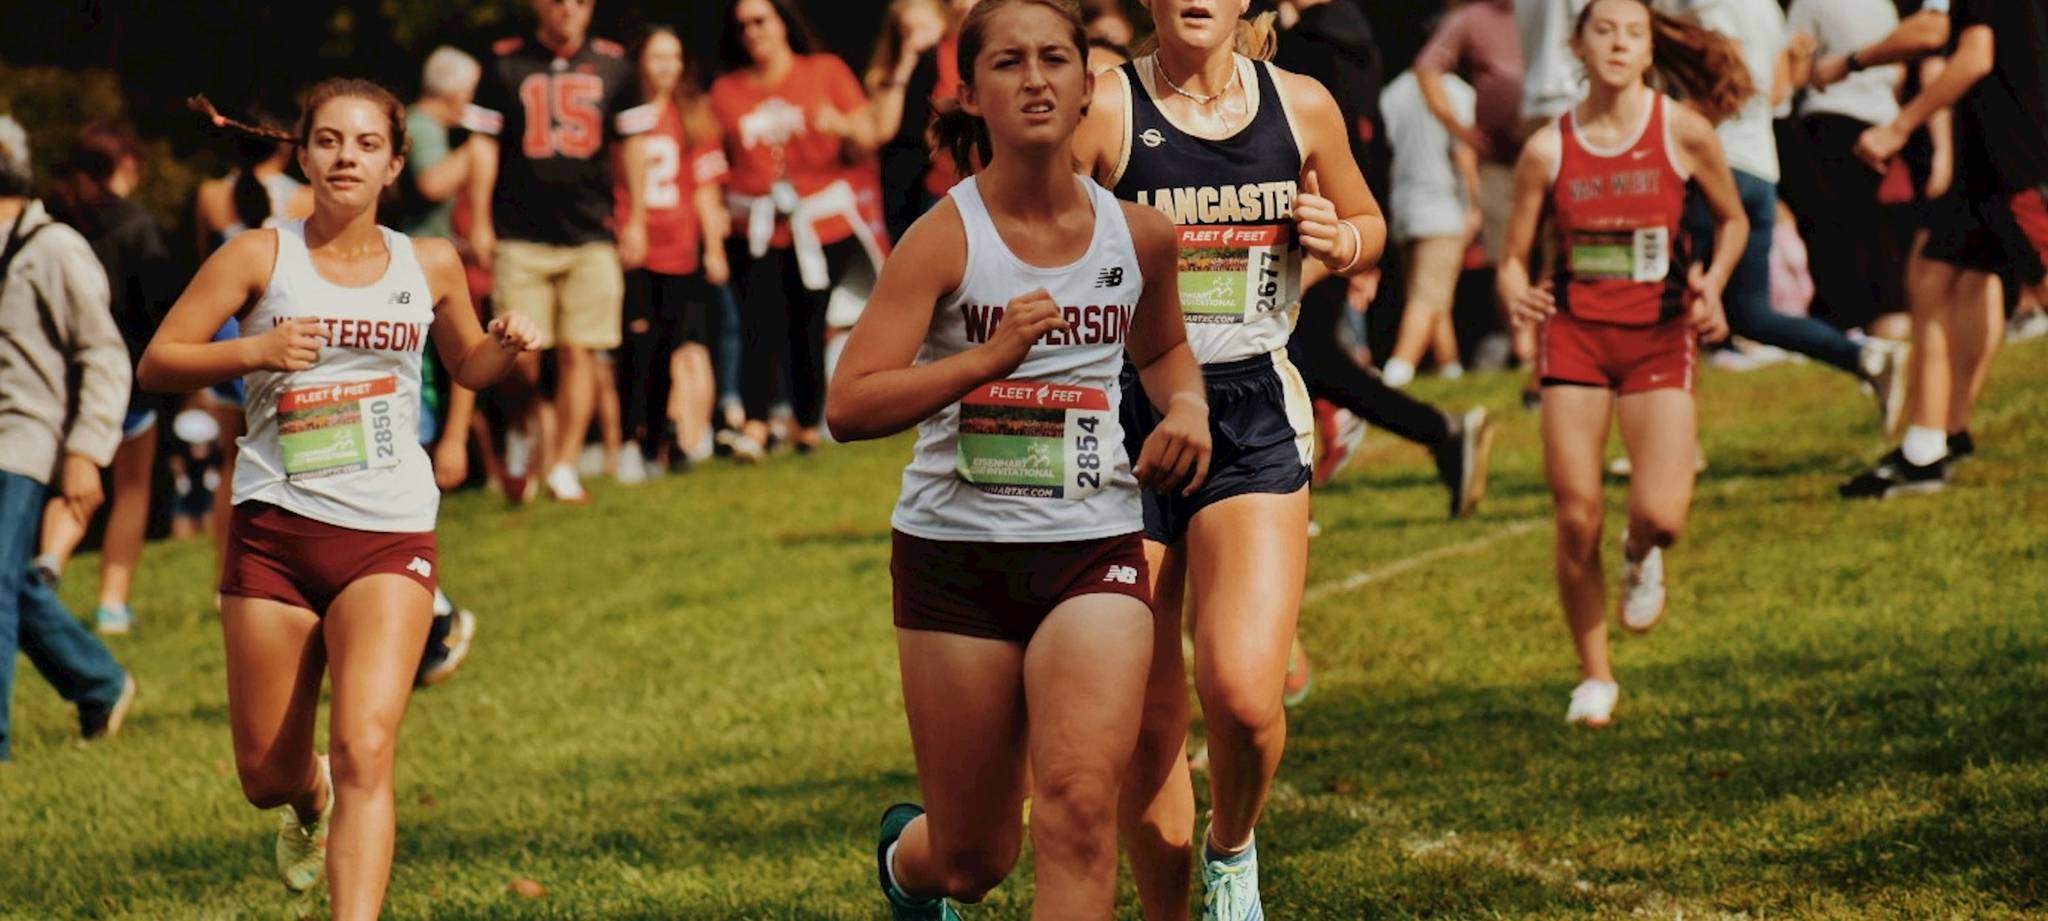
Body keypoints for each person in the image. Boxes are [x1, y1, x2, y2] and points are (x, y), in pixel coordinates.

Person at [828, 2, 1210, 917]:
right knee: (974, 857)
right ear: (971, 94)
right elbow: (850, 402)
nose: (1034, 79)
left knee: (1078, 811)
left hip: (1093, 548)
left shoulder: (1141, 236)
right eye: (1008, 63)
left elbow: (1163, 349)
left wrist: (1188, 406)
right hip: (956, 560)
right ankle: (909, 863)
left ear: (1087, 88)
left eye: (1053, 60)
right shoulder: (943, 237)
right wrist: (986, 359)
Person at [139, 80, 540, 916]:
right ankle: (309, 794)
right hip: (274, 535)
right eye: (328, 141)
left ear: (394, 164)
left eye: (365, 144)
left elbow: (467, 363)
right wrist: (256, 350)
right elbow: (159, 361)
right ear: (304, 154)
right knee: (266, 775)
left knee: (366, 747)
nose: (345, 157)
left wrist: (504, 347)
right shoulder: (258, 256)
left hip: (389, 534)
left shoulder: (429, 262)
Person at [1070, 0, 1387, 915]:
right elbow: (1035, 232)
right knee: (1146, 721)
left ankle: (1232, 847)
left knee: (1245, 696)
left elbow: (1368, 219)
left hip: (1250, 407)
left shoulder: (1301, 104)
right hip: (1126, 415)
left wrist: (1342, 240)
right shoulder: (1108, 106)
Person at [1496, 0, 1748, 728]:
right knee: (1577, 516)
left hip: (1661, 335)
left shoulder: (1683, 131)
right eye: (1603, 30)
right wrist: (1518, 296)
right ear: (1577, 45)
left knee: (1662, 516)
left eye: (1633, 32)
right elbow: (1512, 258)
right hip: (1575, 337)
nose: (1618, 43)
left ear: (1649, 49)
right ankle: (1595, 675)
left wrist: (1713, 283)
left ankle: (1640, 552)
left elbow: (1734, 219)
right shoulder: (1548, 148)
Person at [1656, 0, 1911, 435]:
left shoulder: (1707, 7)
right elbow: (1777, 94)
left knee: (1673, 306)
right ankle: (1865, 357)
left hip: (1716, 169)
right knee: (1750, 314)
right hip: (1759, 170)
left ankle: (1668, 440)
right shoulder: (1767, 9)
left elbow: (1726, 89)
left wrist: (1659, 120)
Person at [1838, 0, 2047, 496]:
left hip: (2017, 163)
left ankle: (1932, 444)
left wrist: (1898, 126)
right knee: (1934, 279)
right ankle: (1927, 447)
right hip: (1988, 168)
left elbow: (1974, 55)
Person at [465, 0, 653, 504]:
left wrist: (637, 217)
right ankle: (524, 428)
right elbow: (482, 145)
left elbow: (633, 145)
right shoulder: (504, 63)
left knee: (581, 350)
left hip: (591, 231)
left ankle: (564, 465)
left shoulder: (615, 65)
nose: (568, 9)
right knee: (519, 355)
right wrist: (479, 219)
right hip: (520, 231)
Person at [0, 115, 139, 762]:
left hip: (21, 439)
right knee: (11, 580)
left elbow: (103, 354)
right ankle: (98, 682)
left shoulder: (52, 247)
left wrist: (86, 451)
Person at [711, 0, 888, 459]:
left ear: (782, 23)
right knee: (758, 320)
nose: (752, 32)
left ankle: (807, 422)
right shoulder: (727, 89)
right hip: (755, 225)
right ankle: (755, 422)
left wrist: (841, 124)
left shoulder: (824, 71)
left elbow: (868, 137)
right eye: (743, 25)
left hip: (819, 221)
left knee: (809, 320)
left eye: (760, 21)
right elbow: (713, 159)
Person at [34, 123, 180, 635]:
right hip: (128, 381)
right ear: (126, 167)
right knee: (131, 490)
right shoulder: (138, 226)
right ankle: (112, 605)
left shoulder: (48, 221)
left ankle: (51, 559)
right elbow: (159, 307)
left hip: (60, 380)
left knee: (74, 480)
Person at [396, 45, 489, 688]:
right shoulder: (426, 127)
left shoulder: (421, 126)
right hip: (415, 279)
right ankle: (433, 615)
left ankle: (435, 615)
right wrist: (480, 144)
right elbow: (432, 184)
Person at [617, 27, 732, 473]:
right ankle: (631, 438)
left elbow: (705, 188)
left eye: (674, 57)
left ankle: (661, 436)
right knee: (636, 343)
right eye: (657, 56)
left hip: (679, 247)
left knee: (671, 345)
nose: (667, 66)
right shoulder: (622, 111)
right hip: (634, 245)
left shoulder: (691, 113)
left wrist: (714, 247)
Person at [1783, 0, 1916, 337]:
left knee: (1837, 230)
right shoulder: (1883, 5)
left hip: (1830, 120)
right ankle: (1890, 314)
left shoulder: (1809, 4)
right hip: (1884, 123)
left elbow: (1794, 74)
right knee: (1882, 228)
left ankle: (1846, 320)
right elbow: (1900, 71)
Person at [1415, 0, 1532, 376]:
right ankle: (1525, 348)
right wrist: (1458, 128)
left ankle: (1555, 343)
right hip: (1500, 162)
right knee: (1506, 254)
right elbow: (1427, 67)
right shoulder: (1473, 18)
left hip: (1558, 152)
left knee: (1555, 252)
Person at [1380, 68, 1483, 385]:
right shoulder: (1457, 90)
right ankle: (1397, 371)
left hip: (1403, 207)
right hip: (1442, 208)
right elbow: (1463, 152)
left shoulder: (1392, 93)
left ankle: (1450, 369)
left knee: (1433, 294)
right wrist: (1474, 204)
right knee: (1426, 298)